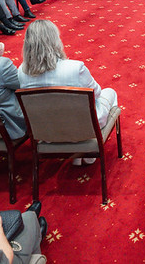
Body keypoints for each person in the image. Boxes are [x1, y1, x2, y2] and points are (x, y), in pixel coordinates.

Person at [18, 20, 119, 165]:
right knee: (110, 92)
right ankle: (88, 150)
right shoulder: (75, 68)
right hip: (84, 127)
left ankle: (77, 154)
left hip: (46, 130)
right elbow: (96, 93)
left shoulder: (22, 71)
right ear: (55, 40)